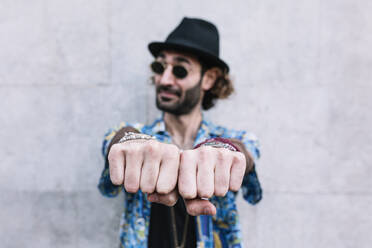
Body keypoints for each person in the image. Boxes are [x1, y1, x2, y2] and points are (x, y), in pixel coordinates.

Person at [98, 17, 262, 248]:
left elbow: (245, 151)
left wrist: (227, 150)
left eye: (180, 70)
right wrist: (129, 139)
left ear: (209, 78)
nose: (164, 79)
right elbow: (115, 138)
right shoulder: (141, 134)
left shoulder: (238, 138)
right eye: (159, 67)